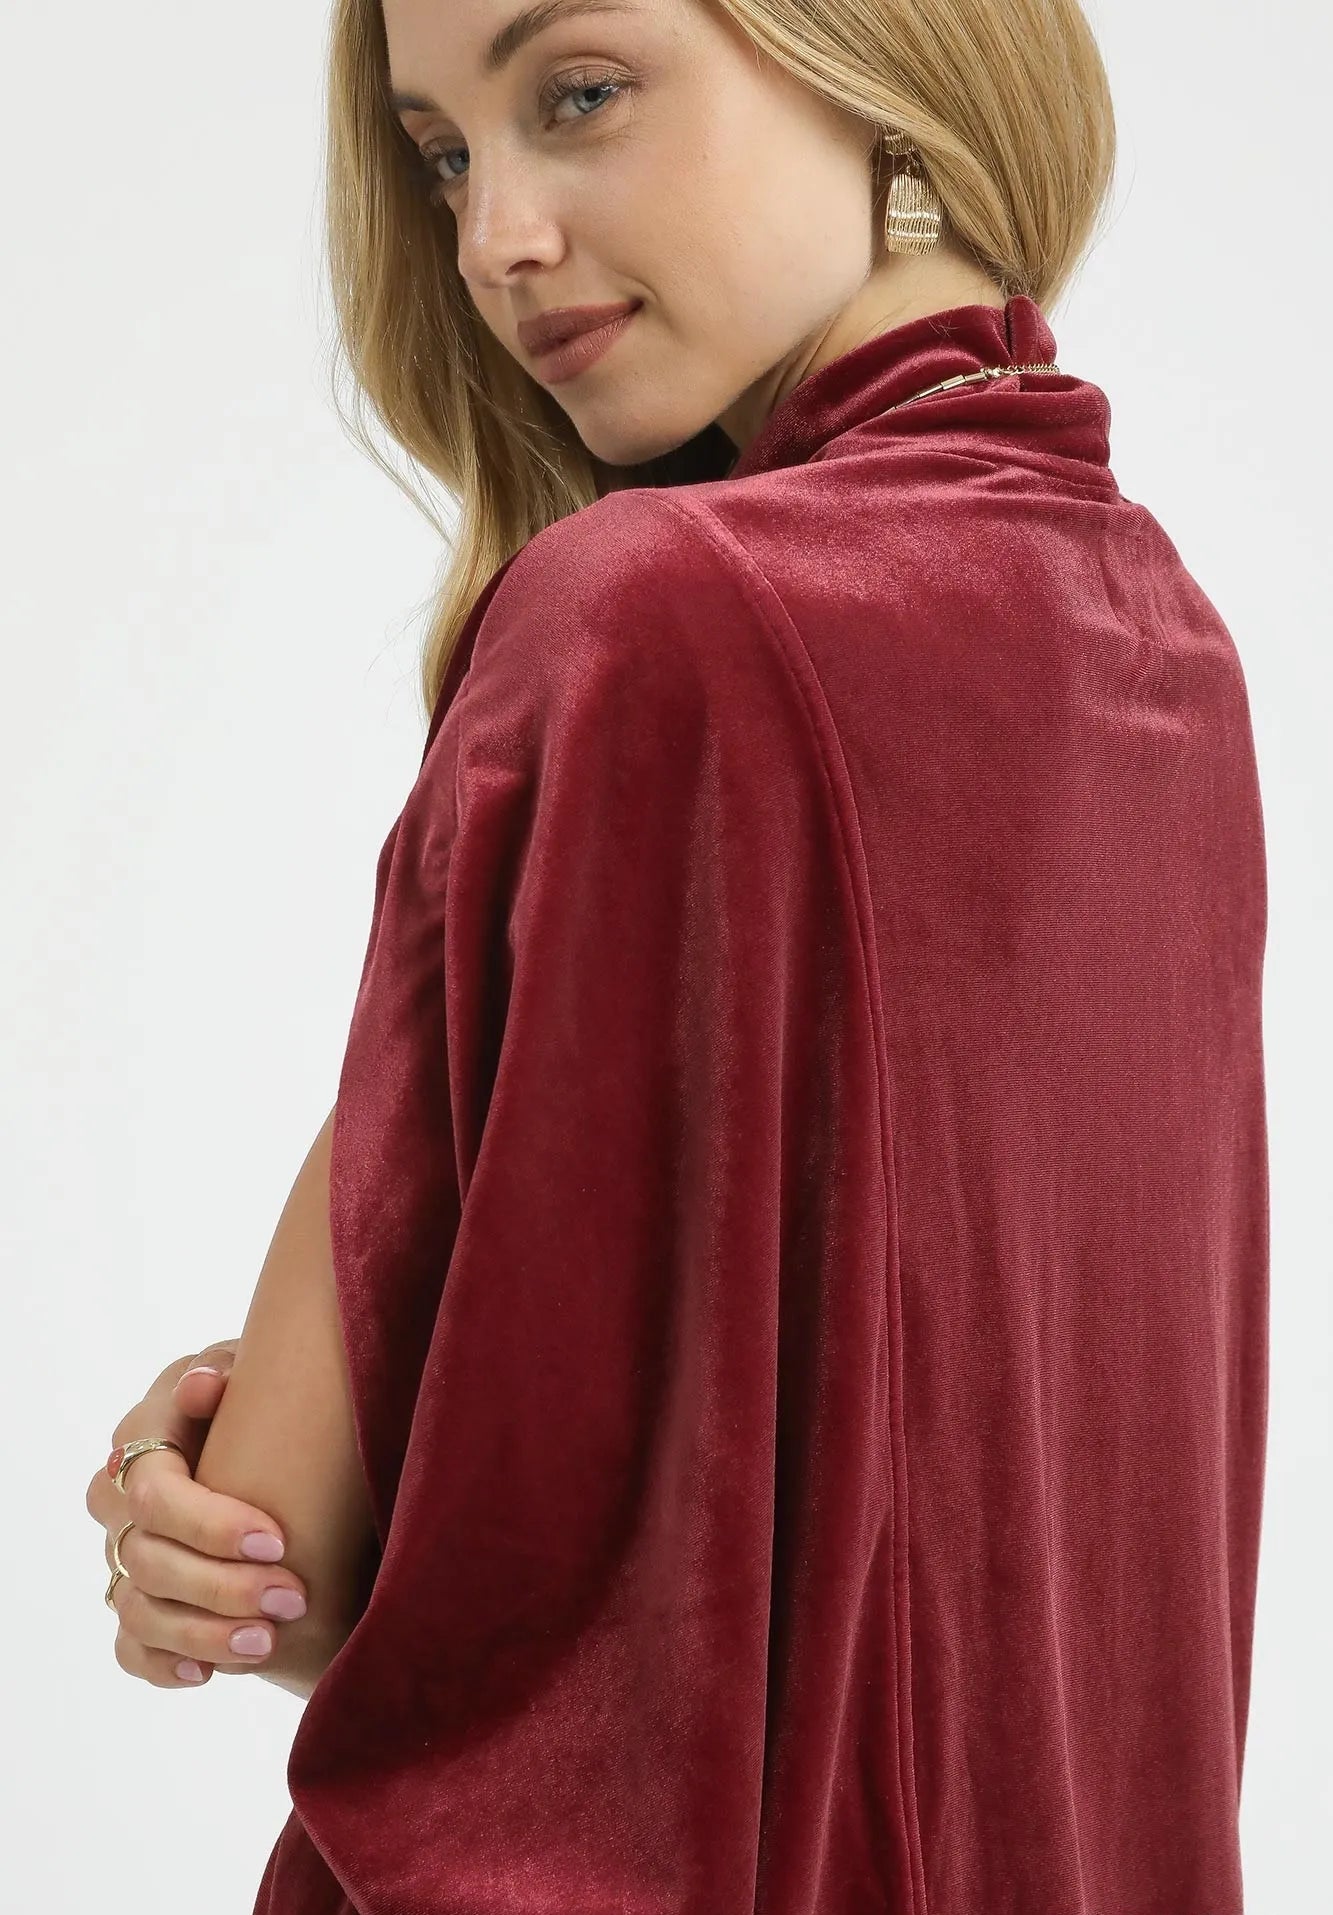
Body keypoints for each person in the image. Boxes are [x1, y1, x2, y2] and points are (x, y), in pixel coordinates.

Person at [84, 0, 1270, 1910]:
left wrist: (224, 1492)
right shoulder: (1165, 648)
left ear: (876, 58)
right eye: (445, 156)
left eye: (578, 95)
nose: (493, 241)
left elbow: (296, 1554)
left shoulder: (650, 615)